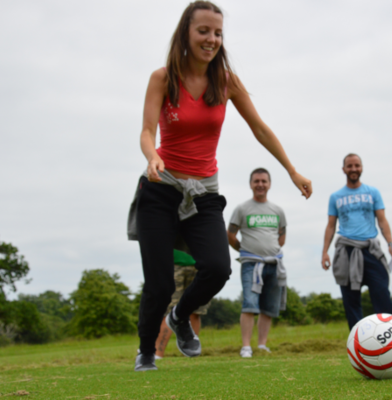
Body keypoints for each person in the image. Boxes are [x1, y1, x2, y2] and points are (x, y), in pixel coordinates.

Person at [128, 1, 312, 372]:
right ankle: (146, 351)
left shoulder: (225, 81)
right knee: (160, 284)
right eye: (203, 31)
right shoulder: (163, 78)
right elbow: (148, 130)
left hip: (203, 195)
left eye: (217, 33)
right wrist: (152, 156)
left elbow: (259, 128)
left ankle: (179, 317)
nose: (211, 39)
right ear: (186, 33)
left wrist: (292, 170)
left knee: (217, 267)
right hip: (160, 188)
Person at [321, 154, 392, 330]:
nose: (353, 169)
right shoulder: (336, 197)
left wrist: (391, 244)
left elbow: (382, 220)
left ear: (362, 167)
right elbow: (331, 225)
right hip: (346, 251)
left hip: (370, 249)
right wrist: (325, 252)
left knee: (381, 293)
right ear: (344, 170)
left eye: (357, 165)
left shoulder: (373, 192)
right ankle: (359, 341)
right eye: (350, 166)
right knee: (351, 300)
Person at [227, 168, 287, 358]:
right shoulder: (242, 209)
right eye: (256, 181)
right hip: (251, 264)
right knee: (249, 304)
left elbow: (282, 235)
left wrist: (271, 250)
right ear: (251, 184)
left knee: (268, 306)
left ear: (269, 184)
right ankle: (246, 346)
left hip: (273, 264)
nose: (260, 184)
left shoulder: (277, 210)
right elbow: (230, 234)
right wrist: (244, 250)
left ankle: (261, 345)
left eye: (264, 181)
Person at [154, 248, 210, 359]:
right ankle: (157, 354)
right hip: (173, 265)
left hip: (200, 265)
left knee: (196, 311)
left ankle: (191, 352)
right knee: (170, 310)